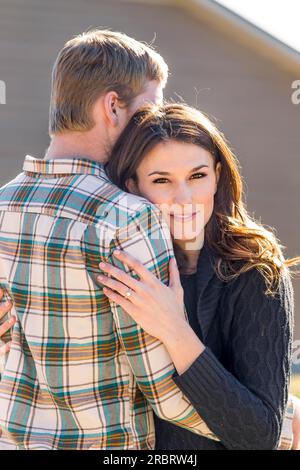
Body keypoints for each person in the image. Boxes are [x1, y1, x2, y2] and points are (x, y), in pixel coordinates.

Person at [0, 29, 217, 450]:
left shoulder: (2, 206)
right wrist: (280, 425)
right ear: (113, 107)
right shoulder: (127, 217)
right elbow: (165, 391)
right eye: (148, 111)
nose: (155, 127)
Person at [93, 102, 300, 450]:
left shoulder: (256, 271)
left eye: (197, 176)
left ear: (218, 175)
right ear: (132, 186)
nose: (184, 198)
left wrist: (175, 330)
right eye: (162, 181)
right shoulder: (116, 266)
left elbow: (259, 435)